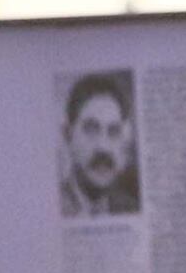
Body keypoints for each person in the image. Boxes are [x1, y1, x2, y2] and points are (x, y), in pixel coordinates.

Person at [57, 74, 138, 218]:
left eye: (113, 131)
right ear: (68, 136)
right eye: (91, 130)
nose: (103, 147)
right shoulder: (54, 205)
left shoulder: (131, 209)